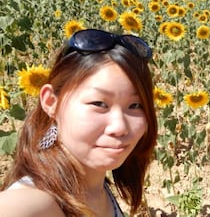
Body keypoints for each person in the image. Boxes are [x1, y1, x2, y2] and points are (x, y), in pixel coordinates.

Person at [0, 29, 158, 216]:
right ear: (51, 102)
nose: (120, 127)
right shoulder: (36, 202)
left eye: (135, 105)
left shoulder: (97, 187)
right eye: (99, 103)